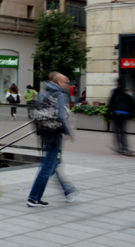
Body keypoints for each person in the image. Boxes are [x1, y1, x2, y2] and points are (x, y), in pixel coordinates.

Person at [27, 71, 79, 207]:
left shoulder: (44, 93)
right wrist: (69, 132)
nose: (68, 85)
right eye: (66, 82)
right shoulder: (60, 95)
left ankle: (68, 190)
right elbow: (61, 116)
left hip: (44, 132)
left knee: (51, 164)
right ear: (59, 83)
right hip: (54, 134)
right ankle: (34, 198)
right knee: (47, 166)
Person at [108, 77, 135, 156]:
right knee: (123, 131)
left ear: (117, 84)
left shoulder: (115, 92)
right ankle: (125, 147)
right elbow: (133, 103)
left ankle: (119, 147)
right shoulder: (126, 92)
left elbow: (110, 103)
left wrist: (111, 112)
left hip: (116, 114)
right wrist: (129, 112)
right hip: (124, 114)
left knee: (116, 131)